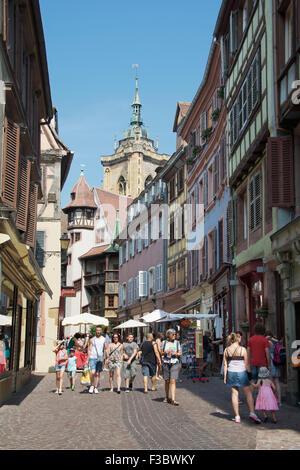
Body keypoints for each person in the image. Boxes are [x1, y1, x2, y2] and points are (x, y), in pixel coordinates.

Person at [223, 332, 261, 424]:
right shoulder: (242, 349)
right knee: (248, 393)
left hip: (231, 372)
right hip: (242, 373)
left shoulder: (226, 350)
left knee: (234, 394)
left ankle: (237, 416)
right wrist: (250, 377)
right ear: (238, 339)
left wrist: (225, 376)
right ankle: (252, 413)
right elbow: (247, 365)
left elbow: (225, 364)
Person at [160, 329, 182, 406]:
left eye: (175, 334)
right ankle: (166, 396)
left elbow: (180, 353)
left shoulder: (177, 343)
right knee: (167, 381)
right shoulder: (164, 342)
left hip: (174, 362)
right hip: (166, 362)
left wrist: (175, 353)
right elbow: (161, 352)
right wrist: (165, 352)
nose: (174, 336)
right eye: (173, 334)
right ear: (169, 335)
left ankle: (173, 399)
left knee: (173, 380)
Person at [87, 326, 108, 394]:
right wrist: (88, 358)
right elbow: (89, 349)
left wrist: (107, 357)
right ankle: (92, 385)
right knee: (92, 372)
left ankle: (95, 387)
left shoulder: (104, 339)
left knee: (97, 373)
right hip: (93, 357)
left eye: (99, 330)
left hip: (100, 358)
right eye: (97, 330)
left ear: (101, 331)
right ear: (95, 331)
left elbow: (106, 348)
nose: (98, 332)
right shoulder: (92, 339)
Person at [265, 331, 282, 406]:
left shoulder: (268, 342)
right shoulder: (276, 341)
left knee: (271, 382)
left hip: (271, 362)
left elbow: (267, 353)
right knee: (277, 382)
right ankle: (279, 400)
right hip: (277, 361)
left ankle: (273, 399)